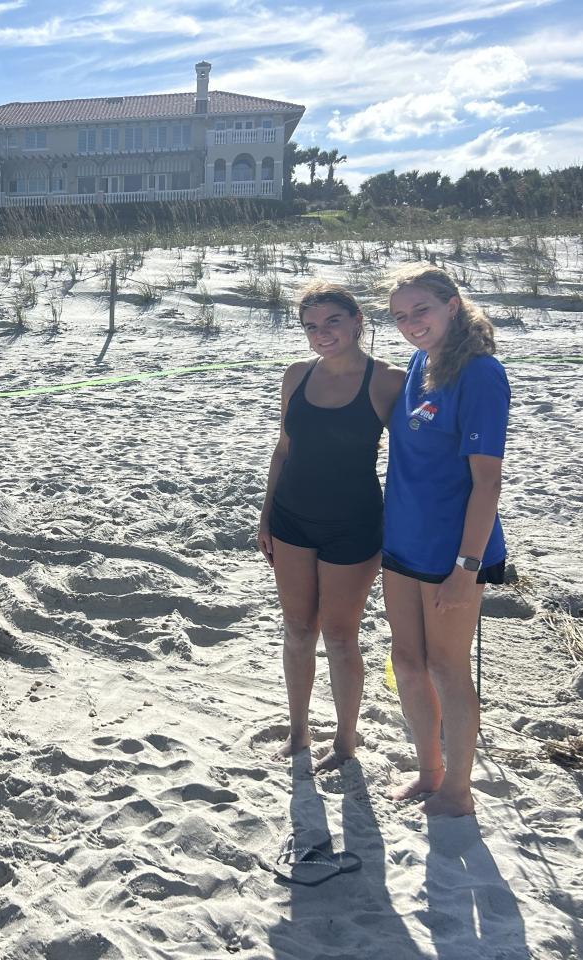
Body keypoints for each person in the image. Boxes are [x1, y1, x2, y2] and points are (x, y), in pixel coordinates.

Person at [259, 283, 405, 772]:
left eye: (332, 321)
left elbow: (416, 458)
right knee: (298, 630)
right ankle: (298, 732)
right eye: (311, 326)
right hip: (291, 519)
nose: (321, 333)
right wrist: (266, 514)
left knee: (341, 637)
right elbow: (284, 449)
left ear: (357, 319)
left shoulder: (388, 380)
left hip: (354, 525)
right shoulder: (296, 375)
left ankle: (345, 742)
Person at [383, 265, 509, 818]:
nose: (412, 324)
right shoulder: (420, 361)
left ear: (452, 306)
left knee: (447, 667)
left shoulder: (480, 373)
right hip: (401, 538)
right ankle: (429, 771)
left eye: (422, 310)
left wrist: (467, 566)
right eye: (400, 316)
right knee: (407, 662)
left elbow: (488, 482)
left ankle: (458, 790)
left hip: (453, 550)